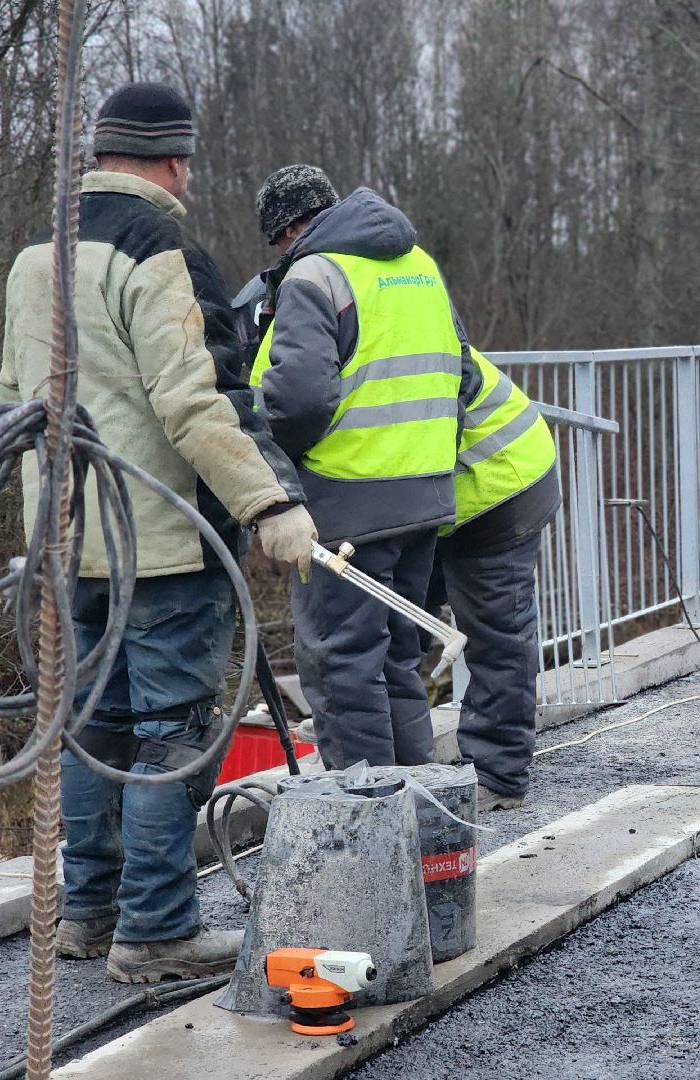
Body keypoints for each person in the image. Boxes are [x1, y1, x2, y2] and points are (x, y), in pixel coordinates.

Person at [0, 83, 316, 983]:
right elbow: (197, 402)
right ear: (173, 159)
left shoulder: (37, 257)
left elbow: (11, 399)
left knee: (92, 728)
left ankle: (87, 917)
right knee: (171, 734)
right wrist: (271, 507)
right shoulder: (165, 249)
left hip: (68, 542)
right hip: (167, 549)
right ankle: (158, 929)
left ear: (100, 154)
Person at [248, 165, 473, 770]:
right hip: (425, 496)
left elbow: (300, 399)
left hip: (346, 505)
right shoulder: (420, 266)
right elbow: (465, 374)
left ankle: (368, 837)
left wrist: (271, 469)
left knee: (343, 669)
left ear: (290, 228)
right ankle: (423, 823)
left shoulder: (313, 275)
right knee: (398, 660)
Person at [425, 350, 560, 810]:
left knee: (496, 634)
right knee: (390, 620)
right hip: (431, 496)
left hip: (500, 484)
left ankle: (500, 774)